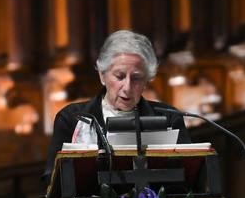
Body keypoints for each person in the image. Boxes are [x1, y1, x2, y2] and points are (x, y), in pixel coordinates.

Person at [42, 29, 191, 185]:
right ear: (102, 76)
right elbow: (51, 181)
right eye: (119, 76)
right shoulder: (71, 119)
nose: (127, 87)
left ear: (147, 80)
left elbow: (188, 176)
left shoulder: (168, 118)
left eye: (136, 78)